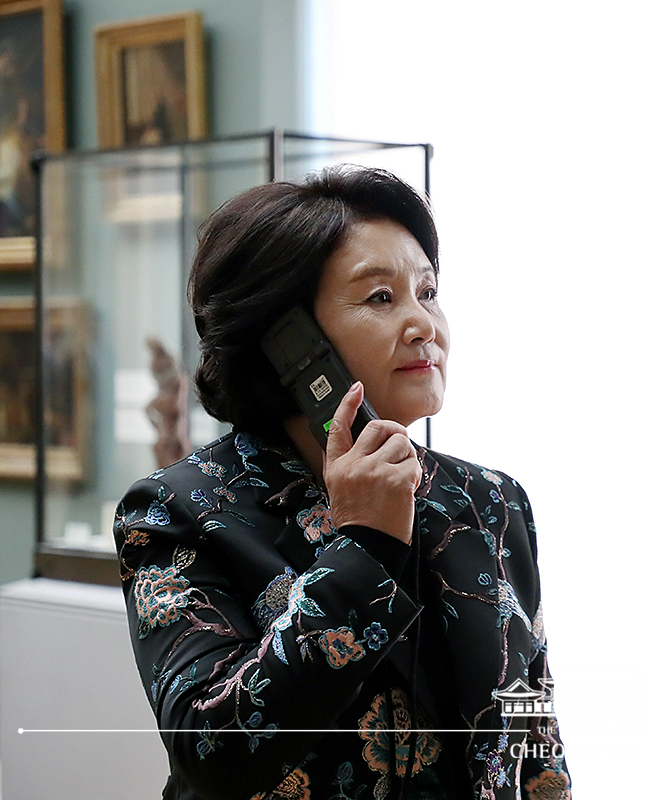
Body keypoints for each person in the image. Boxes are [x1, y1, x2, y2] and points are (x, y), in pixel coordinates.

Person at [113, 166, 570, 800]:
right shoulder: (179, 510)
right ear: (286, 339)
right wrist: (362, 547)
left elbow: (535, 737)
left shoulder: (491, 501)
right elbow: (210, 749)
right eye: (382, 298)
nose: (424, 326)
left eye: (429, 291)